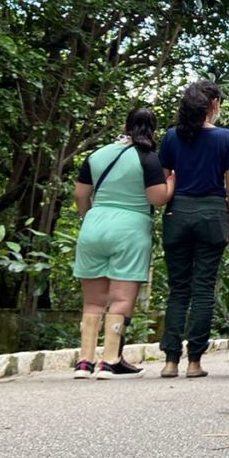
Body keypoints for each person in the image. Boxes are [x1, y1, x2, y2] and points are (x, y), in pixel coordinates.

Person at [72, 106, 172, 379]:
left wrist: (90, 219)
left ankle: (85, 362)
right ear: (153, 131)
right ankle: (110, 360)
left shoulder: (97, 155)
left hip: (93, 227)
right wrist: (172, 180)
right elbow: (158, 198)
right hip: (130, 229)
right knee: (120, 299)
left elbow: (81, 195)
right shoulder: (149, 159)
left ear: (126, 127)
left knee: (93, 302)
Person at [158, 81, 229, 379]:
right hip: (212, 214)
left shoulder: (170, 138)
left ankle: (170, 362)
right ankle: (194, 362)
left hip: (177, 213)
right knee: (204, 289)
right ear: (213, 104)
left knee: (178, 289)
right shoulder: (225, 138)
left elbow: (164, 180)